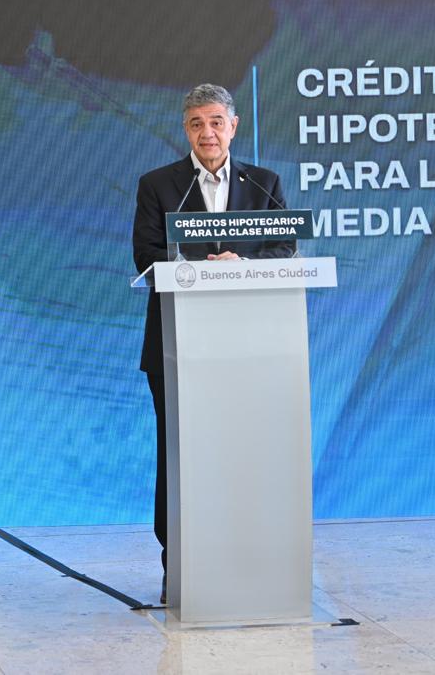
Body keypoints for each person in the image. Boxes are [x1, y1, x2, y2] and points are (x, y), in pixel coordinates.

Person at [131, 83, 296, 601]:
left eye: (216, 122)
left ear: (233, 126)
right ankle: (177, 565)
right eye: (197, 123)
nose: (208, 133)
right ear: (186, 130)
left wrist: (240, 264)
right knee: (179, 456)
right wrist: (197, 269)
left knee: (245, 453)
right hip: (176, 347)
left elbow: (285, 248)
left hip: (250, 347)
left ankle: (246, 562)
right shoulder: (159, 185)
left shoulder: (264, 183)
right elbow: (146, 255)